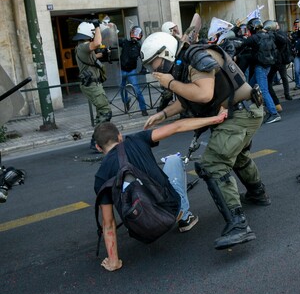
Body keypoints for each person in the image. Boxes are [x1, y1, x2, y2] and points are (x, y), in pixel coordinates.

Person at [140, 31, 270, 250]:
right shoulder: (183, 64)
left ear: (166, 53)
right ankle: (258, 193)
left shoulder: (197, 58)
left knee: (214, 163)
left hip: (242, 112)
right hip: (240, 111)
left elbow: (204, 95)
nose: (154, 69)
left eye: (154, 62)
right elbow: (186, 99)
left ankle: (238, 225)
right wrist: (162, 115)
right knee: (237, 156)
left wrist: (170, 83)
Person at [93, 112, 227, 271]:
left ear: (98, 147)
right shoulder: (137, 139)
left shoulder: (100, 177)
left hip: (142, 227)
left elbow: (108, 223)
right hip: (170, 210)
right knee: (173, 159)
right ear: (120, 137)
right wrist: (214, 118)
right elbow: (178, 126)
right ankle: (184, 217)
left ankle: (119, 255)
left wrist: (114, 261)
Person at [73, 20, 112, 151]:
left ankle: (97, 140)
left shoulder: (83, 48)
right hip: (92, 85)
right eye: (94, 32)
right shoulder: (84, 46)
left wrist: (103, 54)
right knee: (105, 112)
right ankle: (96, 142)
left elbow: (93, 57)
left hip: (93, 84)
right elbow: (96, 43)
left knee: (102, 113)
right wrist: (97, 27)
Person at [238, 18, 281, 124]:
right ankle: (254, 111)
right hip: (268, 65)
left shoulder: (254, 38)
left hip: (260, 67)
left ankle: (274, 113)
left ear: (252, 28)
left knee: (263, 90)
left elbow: (241, 44)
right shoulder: (269, 35)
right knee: (250, 88)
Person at [264, 20, 293, 113]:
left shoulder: (278, 34)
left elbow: (284, 41)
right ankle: (273, 103)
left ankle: (286, 94)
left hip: (278, 61)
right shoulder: (270, 35)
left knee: (283, 77)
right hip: (274, 62)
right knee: (269, 81)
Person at [119, 26, 148, 116]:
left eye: (137, 36)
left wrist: (143, 68)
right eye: (134, 35)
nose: (135, 37)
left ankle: (143, 109)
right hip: (122, 70)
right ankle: (126, 101)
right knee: (121, 90)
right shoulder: (124, 42)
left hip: (131, 71)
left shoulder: (139, 46)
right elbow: (114, 41)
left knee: (137, 90)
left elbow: (143, 58)